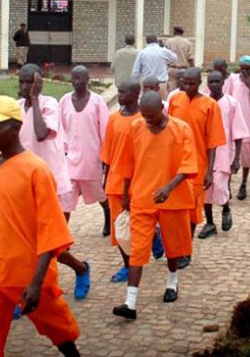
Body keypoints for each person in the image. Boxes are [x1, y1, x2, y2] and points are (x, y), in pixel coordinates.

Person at [0, 96, 81, 357]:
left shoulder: (36, 170)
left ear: (16, 128)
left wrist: (36, 281)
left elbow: (51, 230)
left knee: (60, 331)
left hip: (28, 273)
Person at [112, 92, 199, 320]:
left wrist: (168, 188)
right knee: (138, 248)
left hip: (174, 197)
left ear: (163, 108)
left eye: (152, 117)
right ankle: (130, 302)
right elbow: (127, 164)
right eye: (145, 117)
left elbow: (188, 165)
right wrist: (125, 195)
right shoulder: (136, 127)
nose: (148, 122)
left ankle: (172, 282)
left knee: (173, 246)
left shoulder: (181, 129)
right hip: (142, 197)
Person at [18, 64, 91, 299]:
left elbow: (40, 133)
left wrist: (35, 98)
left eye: (29, 82)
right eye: (21, 82)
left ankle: (79, 269)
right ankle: (41, 287)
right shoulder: (18, 107)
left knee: (52, 244)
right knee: (29, 243)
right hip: (27, 185)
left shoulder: (49, 104)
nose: (24, 87)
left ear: (39, 82)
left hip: (53, 184)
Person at [168, 68, 226, 253]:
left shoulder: (210, 105)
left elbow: (213, 141)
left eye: (191, 83)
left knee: (192, 210)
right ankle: (172, 245)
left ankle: (186, 249)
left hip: (197, 166)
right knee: (173, 208)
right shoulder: (175, 100)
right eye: (184, 83)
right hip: (174, 164)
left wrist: (210, 171)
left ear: (199, 83)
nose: (187, 86)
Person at [59, 66, 110, 236]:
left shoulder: (97, 102)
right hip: (70, 158)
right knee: (66, 197)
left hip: (92, 158)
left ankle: (108, 214)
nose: (77, 82)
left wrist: (105, 158)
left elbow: (104, 131)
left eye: (81, 78)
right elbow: (60, 129)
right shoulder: (65, 101)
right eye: (74, 78)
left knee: (99, 194)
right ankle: (62, 234)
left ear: (88, 79)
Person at [100, 80, 142, 283]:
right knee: (121, 229)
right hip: (116, 183)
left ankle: (153, 240)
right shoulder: (114, 119)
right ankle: (127, 265)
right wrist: (105, 177)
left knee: (141, 225)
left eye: (123, 92)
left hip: (140, 183)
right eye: (118, 92)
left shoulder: (145, 118)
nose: (119, 96)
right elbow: (107, 153)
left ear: (135, 94)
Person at [203, 71, 248, 237]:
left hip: (224, 152)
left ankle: (226, 208)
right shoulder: (203, 102)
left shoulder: (232, 103)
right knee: (204, 190)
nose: (214, 85)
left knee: (220, 186)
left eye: (217, 81)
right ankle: (209, 223)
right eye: (211, 82)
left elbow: (238, 131)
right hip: (204, 153)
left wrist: (236, 159)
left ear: (223, 83)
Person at [229, 56, 250, 201]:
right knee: (230, 154)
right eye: (241, 68)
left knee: (247, 157)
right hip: (234, 122)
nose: (243, 71)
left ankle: (243, 182)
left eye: (247, 68)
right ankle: (227, 185)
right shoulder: (233, 80)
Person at [164, 26, 194, 90]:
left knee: (172, 89)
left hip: (172, 69)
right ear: (182, 33)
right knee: (184, 89)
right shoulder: (187, 43)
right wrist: (193, 70)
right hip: (184, 70)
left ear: (174, 32)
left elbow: (165, 57)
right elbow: (191, 58)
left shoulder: (168, 42)